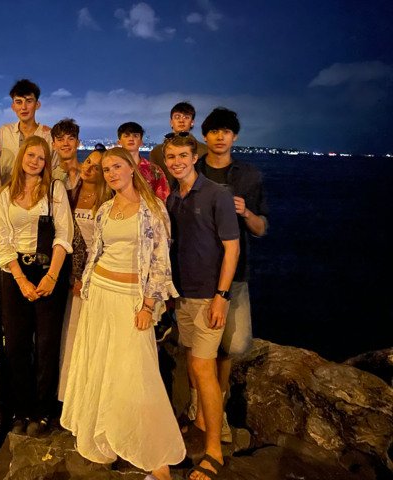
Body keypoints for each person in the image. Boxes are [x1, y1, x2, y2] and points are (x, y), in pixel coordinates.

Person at [61, 147, 185, 480]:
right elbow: (96, 254)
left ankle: (159, 465)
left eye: (117, 166)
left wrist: (148, 305)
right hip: (100, 294)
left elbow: (161, 262)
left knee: (138, 376)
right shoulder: (105, 209)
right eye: (106, 169)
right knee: (102, 368)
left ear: (132, 168)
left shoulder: (152, 210)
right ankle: (108, 438)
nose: (112, 173)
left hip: (130, 299)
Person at [188, 107, 269, 444]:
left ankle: (213, 412)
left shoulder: (248, 176)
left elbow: (262, 228)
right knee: (195, 349)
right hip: (194, 272)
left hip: (233, 274)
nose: (220, 137)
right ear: (204, 137)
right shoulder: (193, 170)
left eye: (226, 132)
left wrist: (245, 211)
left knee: (228, 347)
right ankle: (200, 412)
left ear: (235, 136)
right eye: (214, 132)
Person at [164, 133, 240, 480]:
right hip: (183, 294)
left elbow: (232, 248)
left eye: (183, 155)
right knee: (194, 368)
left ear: (196, 157)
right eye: (171, 157)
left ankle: (214, 450)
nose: (177, 162)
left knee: (203, 367)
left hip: (209, 297)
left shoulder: (216, 194)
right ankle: (199, 423)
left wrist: (222, 297)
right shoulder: (174, 199)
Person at [0, 135, 73, 436]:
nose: (35, 161)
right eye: (31, 155)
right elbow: (3, 240)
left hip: (49, 270)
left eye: (41, 157)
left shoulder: (54, 191)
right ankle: (20, 408)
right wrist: (21, 279)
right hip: (16, 273)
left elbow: (63, 234)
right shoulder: (6, 194)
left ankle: (42, 411)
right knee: (15, 344)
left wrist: (51, 276)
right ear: (22, 157)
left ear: (46, 162)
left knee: (46, 345)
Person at [57, 145, 110, 401]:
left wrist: (86, 276)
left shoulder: (108, 201)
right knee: (71, 335)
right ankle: (68, 395)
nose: (88, 168)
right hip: (70, 275)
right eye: (88, 161)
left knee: (93, 339)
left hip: (96, 276)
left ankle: (90, 397)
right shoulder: (68, 196)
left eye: (96, 166)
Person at [0, 79, 57, 184]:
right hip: (6, 194)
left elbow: (53, 170)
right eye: (19, 102)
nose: (24, 107)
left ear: (37, 105)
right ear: (13, 106)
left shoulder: (48, 136)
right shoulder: (4, 131)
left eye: (29, 101)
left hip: (37, 195)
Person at [150, 102, 209, 185]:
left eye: (186, 117)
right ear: (171, 122)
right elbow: (153, 180)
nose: (181, 120)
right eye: (177, 117)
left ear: (192, 122)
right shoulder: (157, 152)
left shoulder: (204, 150)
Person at [117, 121, 169, 201]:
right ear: (119, 142)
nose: (131, 139)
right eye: (126, 136)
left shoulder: (154, 170)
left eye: (135, 136)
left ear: (141, 142)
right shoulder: (113, 169)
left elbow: (164, 198)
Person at [50, 118, 81, 187]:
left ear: (78, 143)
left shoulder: (88, 173)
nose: (65, 143)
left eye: (70, 139)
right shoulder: (49, 178)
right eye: (60, 139)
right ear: (53, 145)